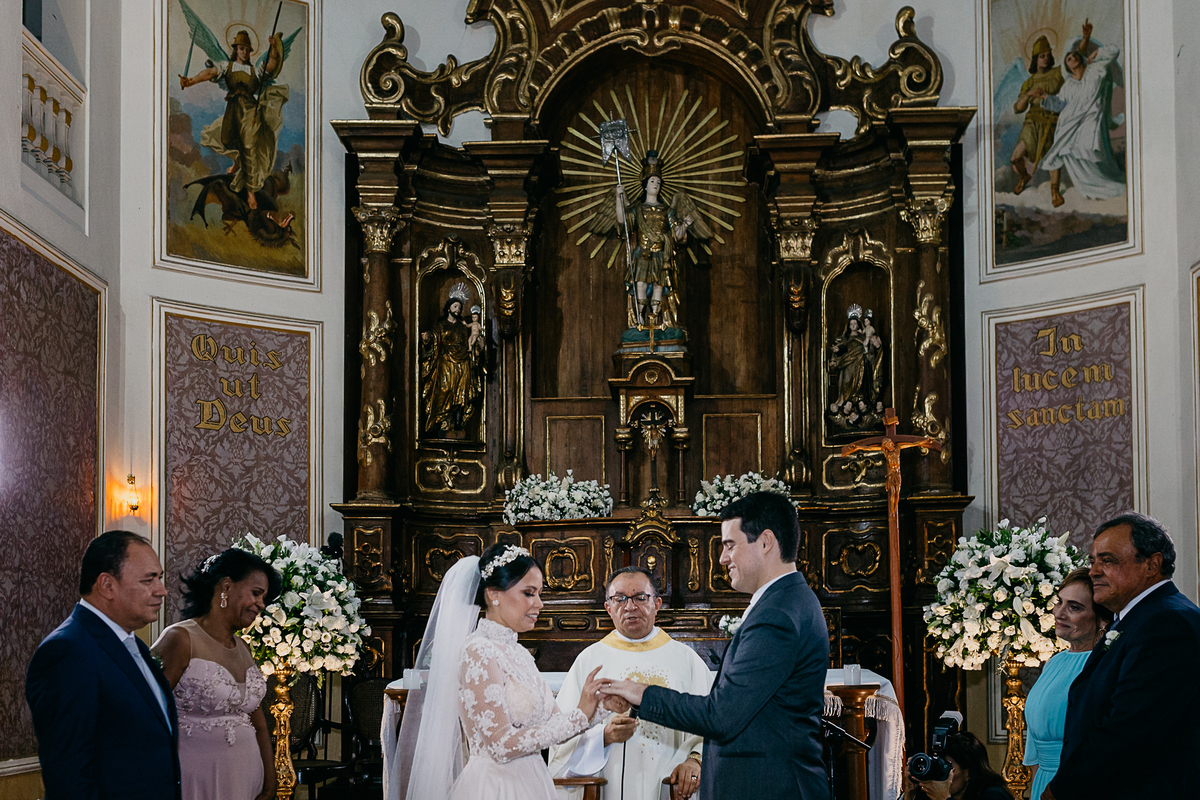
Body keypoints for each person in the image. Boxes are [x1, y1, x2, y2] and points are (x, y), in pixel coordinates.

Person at [601, 492, 828, 800]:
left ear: (765, 542)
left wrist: (641, 693)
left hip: (770, 786)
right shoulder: (789, 601)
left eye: (729, 545)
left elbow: (721, 716)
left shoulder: (778, 614)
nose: (722, 558)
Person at [391, 544, 611, 800]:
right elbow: (500, 745)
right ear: (493, 593)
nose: (539, 604)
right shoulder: (478, 651)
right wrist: (582, 714)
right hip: (497, 787)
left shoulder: (518, 652)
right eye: (529, 593)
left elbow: (554, 726)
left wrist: (600, 708)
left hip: (533, 782)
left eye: (539, 593)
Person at [1044, 512, 1200, 800]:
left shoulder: (1168, 623)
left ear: (1151, 564)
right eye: (1092, 561)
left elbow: (1128, 731)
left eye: (1108, 561)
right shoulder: (1135, 618)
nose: (1093, 571)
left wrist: (1062, 789)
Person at [26, 530, 181, 799]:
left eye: (160, 578)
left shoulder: (133, 645)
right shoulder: (68, 651)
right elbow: (68, 771)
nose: (162, 590)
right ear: (107, 585)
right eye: (148, 580)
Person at [549, 567, 713, 800]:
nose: (630, 606)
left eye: (640, 597)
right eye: (620, 598)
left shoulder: (685, 660)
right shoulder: (590, 661)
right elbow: (560, 735)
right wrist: (603, 737)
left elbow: (712, 720)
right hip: (606, 784)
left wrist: (695, 760)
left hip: (669, 784)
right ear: (608, 608)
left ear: (657, 604)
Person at [153, 548, 282, 800]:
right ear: (226, 586)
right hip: (196, 775)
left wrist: (270, 782)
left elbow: (259, 725)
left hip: (245, 776)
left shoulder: (243, 647)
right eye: (256, 593)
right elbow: (146, 710)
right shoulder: (180, 638)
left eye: (264, 598)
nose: (261, 605)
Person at [1022, 568, 1113, 800]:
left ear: (1101, 620)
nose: (1059, 613)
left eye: (1074, 607)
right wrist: (1036, 787)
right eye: (1059, 602)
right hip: (1043, 783)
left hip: (1079, 786)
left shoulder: (1105, 665)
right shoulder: (1054, 662)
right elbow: (1034, 740)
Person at [180, 29, 286, 211]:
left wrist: (274, 48)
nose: (244, 52)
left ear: (250, 51)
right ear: (236, 49)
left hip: (250, 113)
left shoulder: (256, 71)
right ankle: (238, 161)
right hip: (233, 111)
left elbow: (271, 65)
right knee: (227, 139)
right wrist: (191, 81)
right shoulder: (226, 67)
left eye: (247, 49)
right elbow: (209, 73)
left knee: (250, 146)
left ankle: (250, 190)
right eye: (241, 48)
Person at [604, 150, 711, 328]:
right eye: (652, 181)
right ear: (645, 185)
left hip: (661, 254)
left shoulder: (667, 210)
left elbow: (676, 234)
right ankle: (639, 320)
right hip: (642, 254)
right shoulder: (637, 208)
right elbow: (623, 221)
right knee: (640, 286)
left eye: (658, 182)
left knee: (658, 287)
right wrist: (618, 197)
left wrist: (685, 224)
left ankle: (655, 319)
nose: (656, 184)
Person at [1030, 21, 1125, 207]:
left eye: (1074, 55)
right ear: (1067, 66)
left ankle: (1100, 187)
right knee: (1060, 153)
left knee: (1087, 153)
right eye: (1068, 58)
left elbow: (1114, 51)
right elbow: (1058, 104)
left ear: (1081, 59)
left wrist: (1097, 52)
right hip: (1068, 126)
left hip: (1090, 124)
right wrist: (1045, 97)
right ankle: (1059, 193)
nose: (1071, 57)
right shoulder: (1069, 86)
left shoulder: (1095, 71)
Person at [420, 286, 483, 435]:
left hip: (463, 361)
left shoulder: (462, 326)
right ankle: (441, 421)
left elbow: (471, 339)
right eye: (455, 307)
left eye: (460, 308)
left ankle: (457, 423)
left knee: (462, 393)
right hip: (446, 362)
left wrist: (479, 344)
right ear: (448, 308)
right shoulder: (441, 325)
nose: (458, 310)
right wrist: (428, 337)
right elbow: (435, 336)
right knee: (444, 389)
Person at [1009, 35, 1064, 194]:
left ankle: (1055, 192)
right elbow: (1018, 108)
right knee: (1015, 158)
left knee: (1053, 158)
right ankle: (1024, 176)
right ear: (1035, 59)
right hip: (1031, 124)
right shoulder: (1029, 83)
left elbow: (1073, 63)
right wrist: (1029, 95)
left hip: (1051, 121)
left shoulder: (1057, 74)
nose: (1045, 59)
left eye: (1048, 55)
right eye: (1042, 56)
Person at [901, 731, 1013, 800]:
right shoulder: (929, 794)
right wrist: (909, 794)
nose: (942, 775)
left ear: (968, 772)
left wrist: (944, 799)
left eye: (948, 766)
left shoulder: (994, 795)